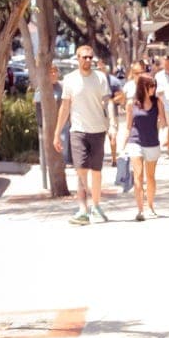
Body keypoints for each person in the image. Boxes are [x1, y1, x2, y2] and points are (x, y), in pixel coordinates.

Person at [53, 45, 110, 225]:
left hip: (98, 130)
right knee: (81, 171)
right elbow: (65, 107)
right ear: (77, 58)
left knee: (96, 172)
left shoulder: (100, 78)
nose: (87, 60)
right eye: (84, 57)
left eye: (90, 57)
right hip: (77, 131)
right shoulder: (69, 79)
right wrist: (56, 133)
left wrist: (113, 126)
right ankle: (83, 210)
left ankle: (96, 206)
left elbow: (107, 103)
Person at [123, 72, 167, 221]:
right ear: (143, 87)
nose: (153, 89)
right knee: (138, 175)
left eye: (154, 86)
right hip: (135, 142)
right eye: (151, 86)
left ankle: (151, 206)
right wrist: (123, 145)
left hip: (152, 142)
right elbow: (128, 126)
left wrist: (165, 135)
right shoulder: (132, 104)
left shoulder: (158, 102)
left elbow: (163, 122)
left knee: (150, 177)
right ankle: (140, 210)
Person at [97, 58, 126, 167]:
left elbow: (122, 96)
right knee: (99, 136)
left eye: (102, 68)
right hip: (98, 111)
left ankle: (114, 159)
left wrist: (112, 101)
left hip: (111, 110)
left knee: (112, 135)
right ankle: (99, 159)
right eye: (99, 68)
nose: (100, 70)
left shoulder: (114, 81)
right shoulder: (94, 81)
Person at [155, 55, 169, 157]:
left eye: (168, 64)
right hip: (163, 105)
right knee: (166, 128)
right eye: (165, 64)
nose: (166, 66)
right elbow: (155, 91)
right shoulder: (158, 76)